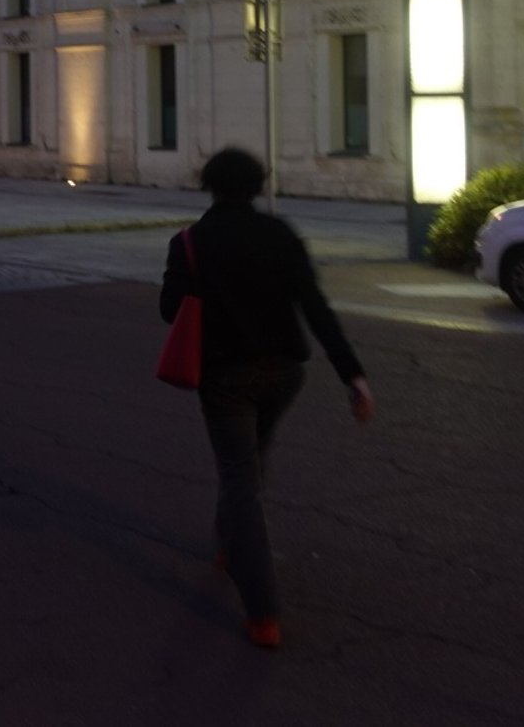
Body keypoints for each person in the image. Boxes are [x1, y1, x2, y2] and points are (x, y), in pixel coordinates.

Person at [159, 146, 374, 650]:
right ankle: (227, 543)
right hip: (284, 373)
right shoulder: (280, 235)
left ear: (209, 185)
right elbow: (315, 307)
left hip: (225, 377)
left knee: (240, 477)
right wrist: (354, 375)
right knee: (247, 462)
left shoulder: (190, 242)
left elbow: (170, 311)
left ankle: (262, 612)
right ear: (258, 186)